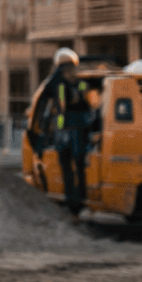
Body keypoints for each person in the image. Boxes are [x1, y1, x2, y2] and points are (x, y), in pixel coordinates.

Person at [29, 47, 93, 215]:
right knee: (80, 164)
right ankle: (81, 199)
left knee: (66, 167)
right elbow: (88, 105)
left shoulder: (54, 82)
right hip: (80, 130)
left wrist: (52, 127)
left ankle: (73, 203)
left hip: (64, 129)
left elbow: (56, 109)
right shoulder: (79, 82)